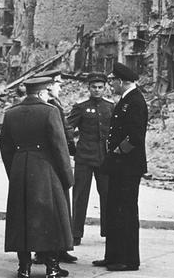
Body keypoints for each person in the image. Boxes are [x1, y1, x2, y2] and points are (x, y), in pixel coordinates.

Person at [0, 77, 74, 278]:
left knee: (21, 217)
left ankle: (23, 268)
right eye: (47, 93)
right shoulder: (50, 111)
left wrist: (14, 170)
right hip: (45, 170)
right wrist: (67, 177)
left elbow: (5, 147)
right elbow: (60, 147)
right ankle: (52, 268)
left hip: (20, 169)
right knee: (49, 217)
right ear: (42, 93)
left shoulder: (10, 113)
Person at [93, 63, 147, 272]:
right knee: (114, 211)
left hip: (127, 166)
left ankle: (128, 259)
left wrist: (116, 154)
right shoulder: (126, 100)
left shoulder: (135, 101)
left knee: (125, 212)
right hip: (119, 166)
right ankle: (113, 256)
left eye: (113, 81)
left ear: (123, 81)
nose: (111, 84)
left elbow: (135, 137)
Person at [33, 69, 78, 264]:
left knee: (60, 207)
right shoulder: (49, 106)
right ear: (49, 86)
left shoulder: (55, 104)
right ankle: (48, 251)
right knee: (53, 208)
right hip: (53, 162)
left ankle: (60, 248)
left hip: (58, 159)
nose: (60, 87)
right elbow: (59, 135)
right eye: (58, 83)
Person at [65, 72, 113, 246]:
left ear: (105, 88)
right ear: (89, 88)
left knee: (107, 195)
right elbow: (67, 128)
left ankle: (108, 231)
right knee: (80, 195)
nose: (97, 90)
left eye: (100, 87)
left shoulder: (110, 107)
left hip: (104, 159)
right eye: (94, 87)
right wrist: (73, 149)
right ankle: (76, 233)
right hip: (84, 157)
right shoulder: (81, 107)